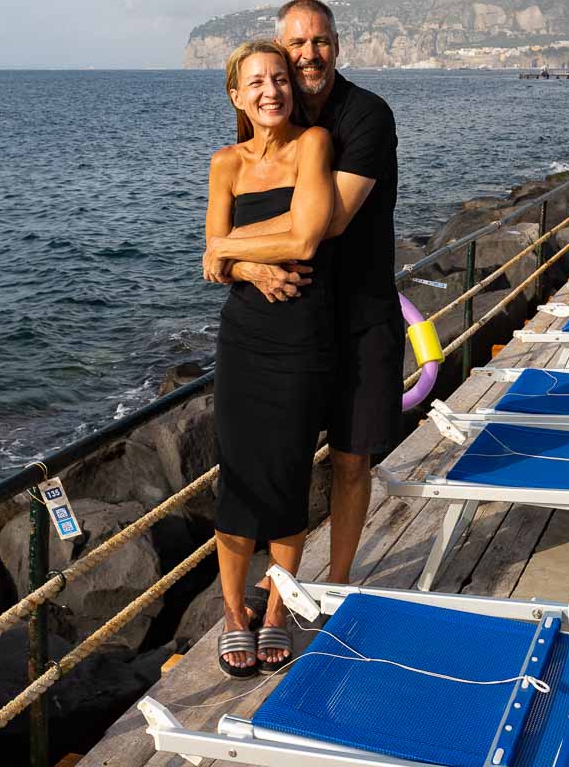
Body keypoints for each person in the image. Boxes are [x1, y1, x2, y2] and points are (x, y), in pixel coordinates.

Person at [208, 0, 404, 591]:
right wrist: (243, 266)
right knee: (280, 459)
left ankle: (337, 581)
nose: (307, 54)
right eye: (296, 44)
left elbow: (325, 225)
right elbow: (246, 233)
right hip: (292, 324)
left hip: (361, 315)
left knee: (350, 460)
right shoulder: (267, 130)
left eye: (319, 41)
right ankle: (271, 587)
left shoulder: (365, 116)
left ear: (337, 47)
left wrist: (226, 244)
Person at [203, 39, 335, 677]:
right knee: (239, 477)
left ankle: (277, 611)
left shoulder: (313, 145)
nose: (271, 91)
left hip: (301, 337)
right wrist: (250, 265)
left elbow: (308, 236)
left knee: (286, 476)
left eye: (279, 79)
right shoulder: (224, 163)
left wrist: (229, 250)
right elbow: (215, 265)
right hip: (244, 339)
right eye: (255, 82)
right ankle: (233, 614)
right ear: (236, 96)